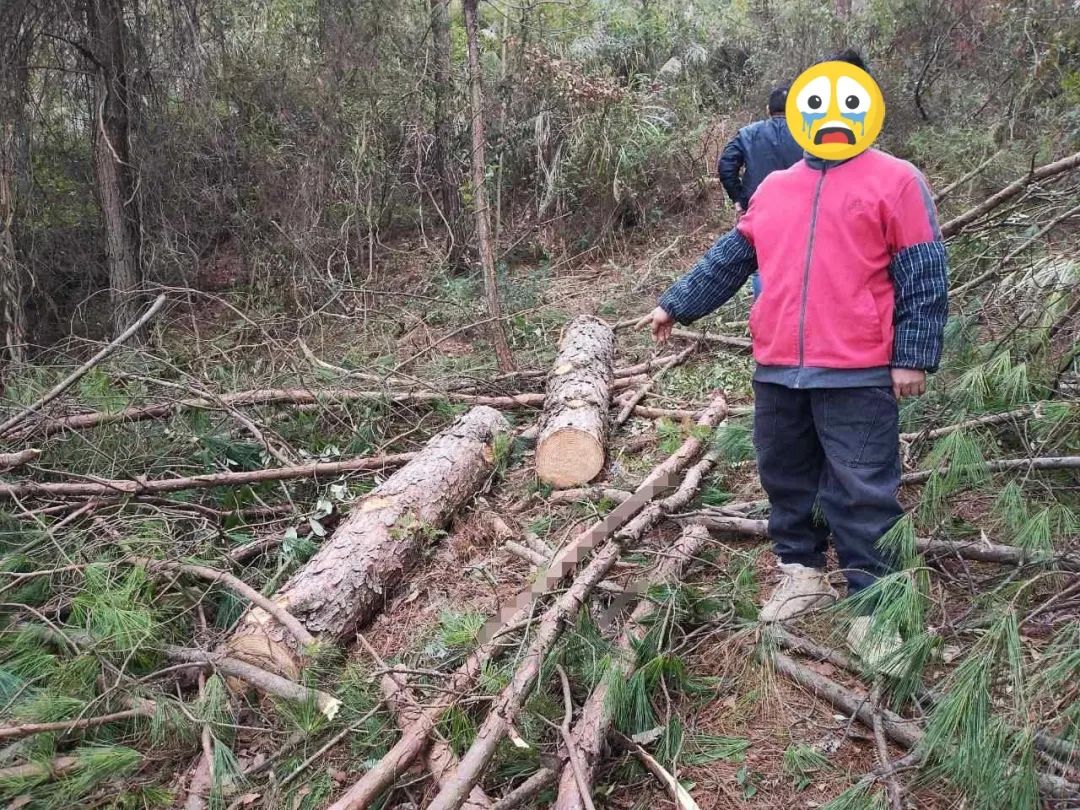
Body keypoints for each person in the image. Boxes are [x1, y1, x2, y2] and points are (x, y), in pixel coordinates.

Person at [643, 51, 948, 668]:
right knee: (785, 474)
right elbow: (731, 259)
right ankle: (801, 573)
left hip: (858, 368)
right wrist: (677, 303)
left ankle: (876, 608)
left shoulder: (896, 181)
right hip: (779, 366)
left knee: (862, 487)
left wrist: (912, 355)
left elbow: (924, 275)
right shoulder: (775, 189)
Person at [717, 84, 803, 298]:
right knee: (801, 264)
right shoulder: (808, 134)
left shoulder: (749, 134)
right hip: (803, 211)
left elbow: (726, 165)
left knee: (762, 265)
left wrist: (739, 198)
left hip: (760, 210)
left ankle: (766, 319)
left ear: (768, 109)